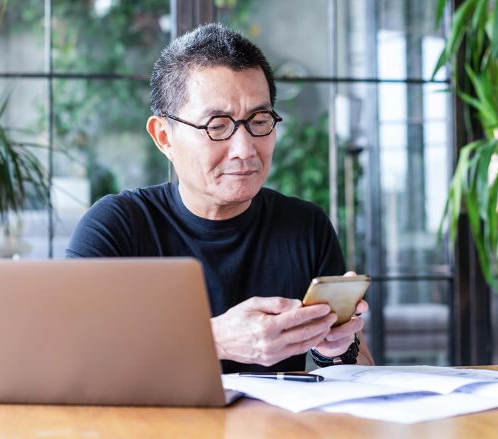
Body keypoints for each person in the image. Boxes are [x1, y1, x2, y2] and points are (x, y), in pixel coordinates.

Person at [66, 23, 374, 373]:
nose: (245, 150)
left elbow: (359, 371)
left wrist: (336, 347)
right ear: (164, 136)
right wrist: (213, 339)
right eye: (217, 126)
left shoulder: (305, 226)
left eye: (259, 120)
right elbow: (70, 353)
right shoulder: (117, 226)